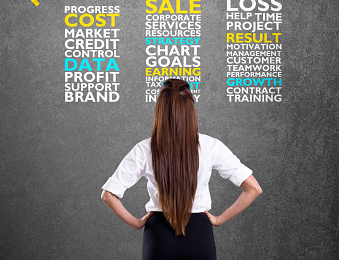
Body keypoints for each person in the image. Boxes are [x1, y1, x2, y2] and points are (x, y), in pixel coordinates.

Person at [101, 79, 262, 260]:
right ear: (191, 111)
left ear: (160, 111)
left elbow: (108, 195)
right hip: (200, 236)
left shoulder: (144, 149)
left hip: (158, 236)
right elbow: (253, 188)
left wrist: (137, 223)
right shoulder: (211, 146)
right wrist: (219, 219)